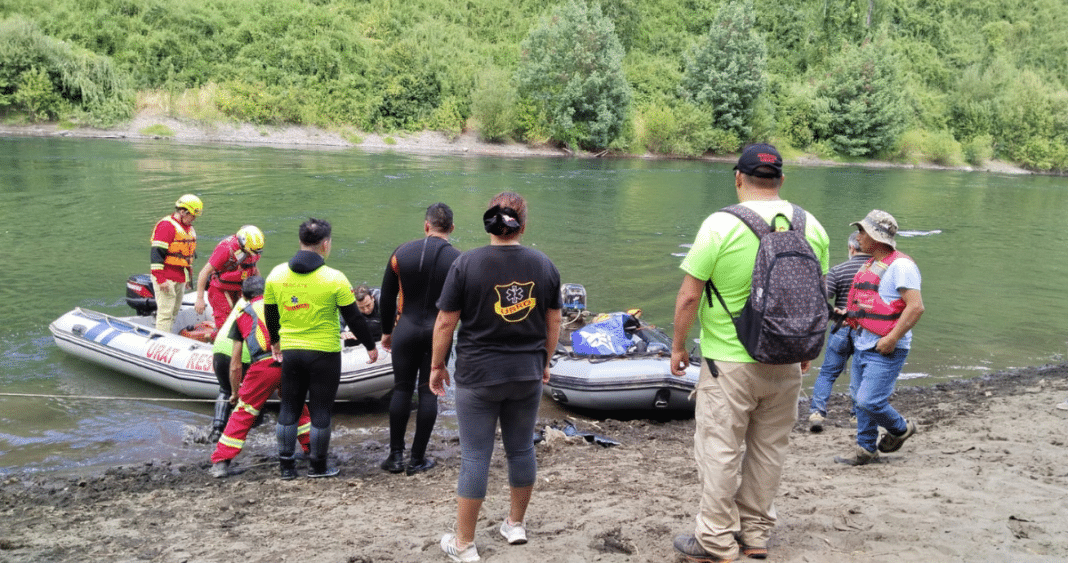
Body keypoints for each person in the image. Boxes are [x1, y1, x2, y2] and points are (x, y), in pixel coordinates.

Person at [669, 144, 829, 562]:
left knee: (721, 450)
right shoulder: (811, 225)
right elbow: (819, 294)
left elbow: (689, 297)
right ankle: (755, 534)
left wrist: (679, 346)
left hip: (729, 363)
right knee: (769, 449)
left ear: (738, 177)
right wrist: (809, 345)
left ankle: (717, 541)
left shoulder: (720, 225)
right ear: (781, 180)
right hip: (788, 359)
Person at [430, 192, 561, 563]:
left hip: (477, 375)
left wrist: (437, 366)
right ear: (524, 223)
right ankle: (515, 525)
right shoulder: (544, 265)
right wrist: (545, 361)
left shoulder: (467, 263)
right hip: (526, 374)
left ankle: (465, 544)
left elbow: (445, 322)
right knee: (521, 448)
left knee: (475, 456)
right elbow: (553, 321)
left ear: (488, 219)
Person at [263, 218, 379, 479]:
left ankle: (287, 467)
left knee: (289, 408)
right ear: (325, 244)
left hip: (291, 351)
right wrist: (371, 346)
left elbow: (271, 315)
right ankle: (318, 466)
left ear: (300, 242)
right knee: (321, 410)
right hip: (324, 354)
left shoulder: (276, 275)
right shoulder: (334, 278)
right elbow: (354, 319)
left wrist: (275, 342)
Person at [834, 209, 924, 466]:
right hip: (863, 342)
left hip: (886, 347)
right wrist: (847, 314)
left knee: (868, 400)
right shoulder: (871, 264)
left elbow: (915, 307)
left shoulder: (902, 266)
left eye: (863, 231)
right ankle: (865, 450)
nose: (859, 235)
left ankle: (900, 428)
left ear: (876, 236)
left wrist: (892, 338)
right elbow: (873, 303)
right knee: (858, 399)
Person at [378, 203, 460, 476]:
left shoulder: (401, 253)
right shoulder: (459, 261)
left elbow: (387, 297)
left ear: (426, 226)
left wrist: (387, 332)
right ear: (451, 229)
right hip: (439, 333)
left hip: (406, 328)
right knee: (429, 392)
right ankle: (417, 459)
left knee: (402, 389)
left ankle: (395, 457)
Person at [210, 276, 312, 478]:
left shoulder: (242, 315)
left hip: (264, 365)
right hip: (292, 361)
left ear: (245, 297)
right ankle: (312, 449)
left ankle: (221, 461)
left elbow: (235, 364)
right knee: (297, 406)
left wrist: (234, 392)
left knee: (244, 411)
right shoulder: (284, 305)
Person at [807, 231, 870, 432]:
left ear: (852, 248)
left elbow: (820, 298)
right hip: (867, 329)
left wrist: (833, 315)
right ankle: (856, 416)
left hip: (842, 327)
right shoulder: (879, 270)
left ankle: (817, 412)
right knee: (861, 373)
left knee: (827, 373)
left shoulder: (839, 270)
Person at [195, 225, 265, 335]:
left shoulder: (253, 250)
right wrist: (200, 298)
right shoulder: (226, 249)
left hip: (240, 288)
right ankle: (213, 338)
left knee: (246, 319)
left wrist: (260, 290)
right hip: (220, 290)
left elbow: (253, 268)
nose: (255, 254)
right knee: (225, 326)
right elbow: (204, 272)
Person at [150, 194, 202, 332]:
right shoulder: (166, 226)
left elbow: (188, 255)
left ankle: (167, 336)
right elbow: (156, 255)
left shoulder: (188, 228)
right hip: (166, 277)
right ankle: (161, 341)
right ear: (183, 211)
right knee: (165, 313)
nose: (194, 219)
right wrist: (160, 279)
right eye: (192, 215)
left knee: (174, 311)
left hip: (180, 276)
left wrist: (188, 278)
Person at [207, 298, 251, 443]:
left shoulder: (241, 302)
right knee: (253, 394)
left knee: (225, 390)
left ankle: (217, 430)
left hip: (220, 347)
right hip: (243, 352)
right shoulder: (266, 306)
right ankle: (250, 431)